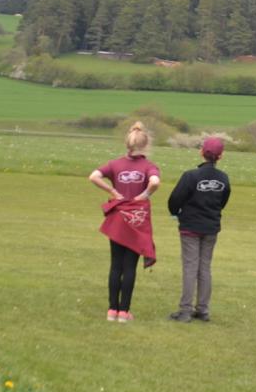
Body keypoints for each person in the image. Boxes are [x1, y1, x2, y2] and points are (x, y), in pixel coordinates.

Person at [89, 121, 160, 322]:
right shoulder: (149, 166)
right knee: (130, 267)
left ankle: (112, 310)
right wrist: (144, 195)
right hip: (136, 221)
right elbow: (155, 182)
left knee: (115, 265)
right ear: (145, 145)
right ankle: (124, 312)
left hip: (118, 219)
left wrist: (112, 191)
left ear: (127, 144)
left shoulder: (115, 164)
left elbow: (94, 176)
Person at [165, 136, 231, 323]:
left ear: (201, 152)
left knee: (190, 267)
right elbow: (223, 201)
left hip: (190, 228)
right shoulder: (223, 178)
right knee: (205, 268)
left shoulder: (190, 176)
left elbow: (175, 199)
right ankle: (203, 310)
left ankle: (185, 310)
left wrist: (175, 213)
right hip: (211, 228)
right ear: (221, 156)